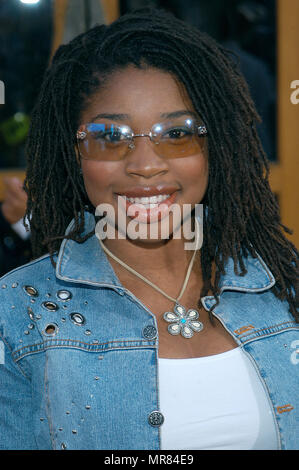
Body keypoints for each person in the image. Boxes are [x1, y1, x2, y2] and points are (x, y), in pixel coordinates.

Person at [0, 8, 298, 451]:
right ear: (74, 153)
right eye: (110, 136)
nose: (145, 165)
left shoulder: (282, 283)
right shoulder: (19, 312)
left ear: (216, 145)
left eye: (177, 133)